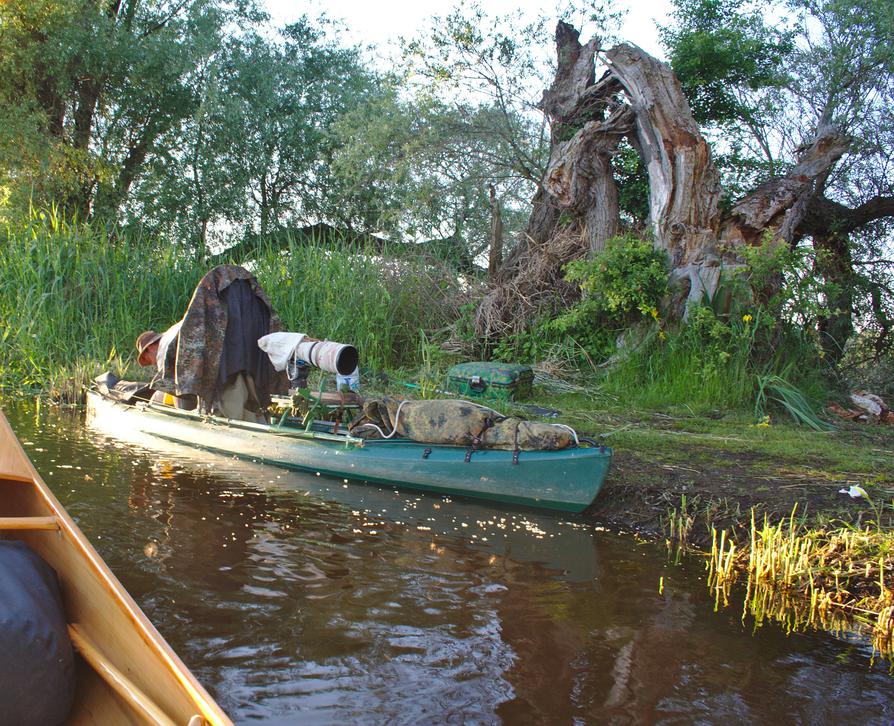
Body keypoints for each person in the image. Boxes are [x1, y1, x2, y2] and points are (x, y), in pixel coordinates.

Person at [135, 327, 197, 410]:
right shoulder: (174, 334)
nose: (153, 364)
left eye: (149, 359)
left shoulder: (163, 351)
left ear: (150, 348)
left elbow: (175, 387)